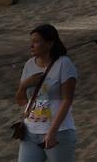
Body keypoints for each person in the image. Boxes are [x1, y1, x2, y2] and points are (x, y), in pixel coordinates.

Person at [16, 24, 77, 161]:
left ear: (49, 44)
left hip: (58, 131)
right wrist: (24, 85)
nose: (31, 45)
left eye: (36, 41)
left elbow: (67, 100)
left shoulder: (63, 64)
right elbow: (20, 100)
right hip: (30, 132)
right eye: (31, 41)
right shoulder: (29, 65)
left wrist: (52, 131)